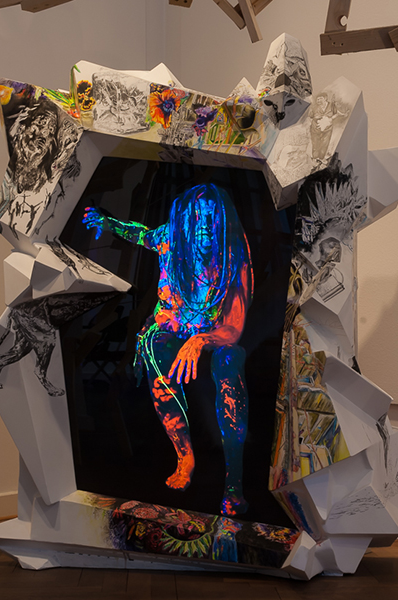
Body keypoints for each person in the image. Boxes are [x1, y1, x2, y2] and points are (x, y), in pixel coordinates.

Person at [83, 183, 253, 516]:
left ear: (222, 220)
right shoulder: (171, 238)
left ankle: (234, 481)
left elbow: (234, 327)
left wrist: (200, 340)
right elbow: (141, 235)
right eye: (196, 217)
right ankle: (185, 457)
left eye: (211, 217)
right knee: (155, 346)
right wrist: (109, 223)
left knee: (230, 361)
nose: (204, 225)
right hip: (173, 330)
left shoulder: (234, 249)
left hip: (216, 337)